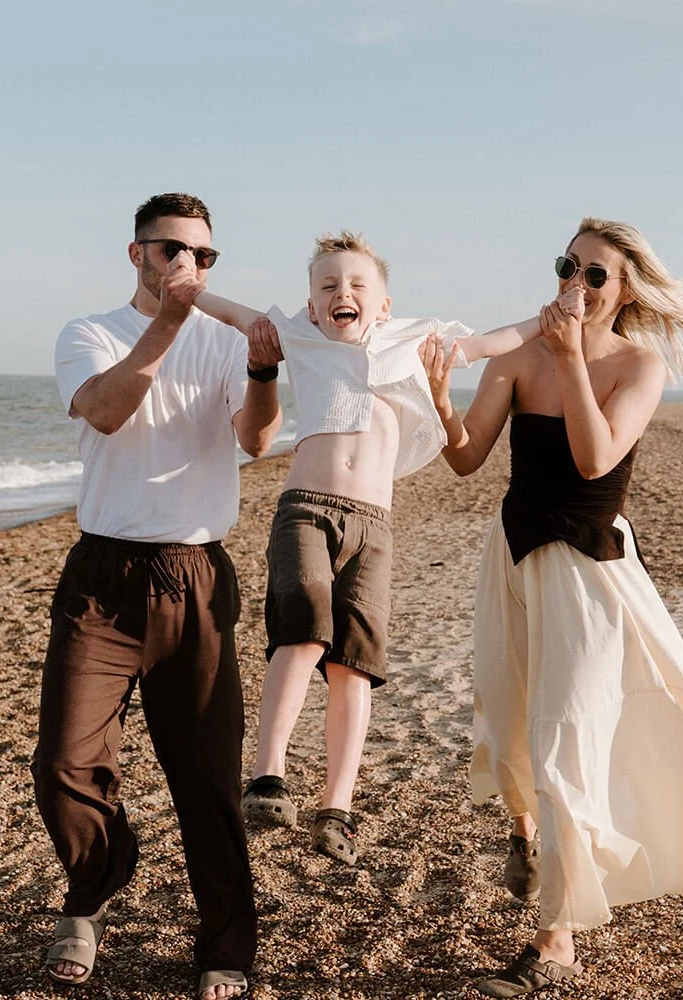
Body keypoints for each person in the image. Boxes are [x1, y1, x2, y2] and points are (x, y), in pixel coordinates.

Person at [420, 218, 683, 998]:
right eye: (568, 264)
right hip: (511, 557)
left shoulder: (641, 365)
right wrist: (441, 400)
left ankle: (556, 937)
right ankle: (526, 833)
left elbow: (595, 457)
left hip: (590, 572)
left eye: (595, 273)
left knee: (566, 736)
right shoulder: (518, 356)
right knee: (507, 725)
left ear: (624, 288)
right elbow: (468, 460)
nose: (575, 282)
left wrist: (569, 360)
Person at [189, 231, 541, 866]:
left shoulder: (415, 341)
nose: (340, 294)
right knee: (300, 634)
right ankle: (268, 776)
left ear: (383, 305)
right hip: (307, 509)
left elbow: (491, 341)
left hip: (374, 524)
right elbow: (235, 314)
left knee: (355, 665)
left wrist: (549, 318)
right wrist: (188, 288)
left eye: (356, 286)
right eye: (326, 287)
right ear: (311, 303)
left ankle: (338, 808)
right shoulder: (297, 335)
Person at [33, 192, 282, 1000]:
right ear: (135, 253)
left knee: (206, 779)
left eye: (204, 256)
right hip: (102, 576)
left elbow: (256, 438)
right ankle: (101, 877)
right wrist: (169, 324)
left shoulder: (221, 339)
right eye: (172, 250)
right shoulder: (89, 333)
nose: (188, 266)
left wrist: (263, 369)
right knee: (66, 762)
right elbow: (106, 412)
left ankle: (225, 946)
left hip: (196, 574)